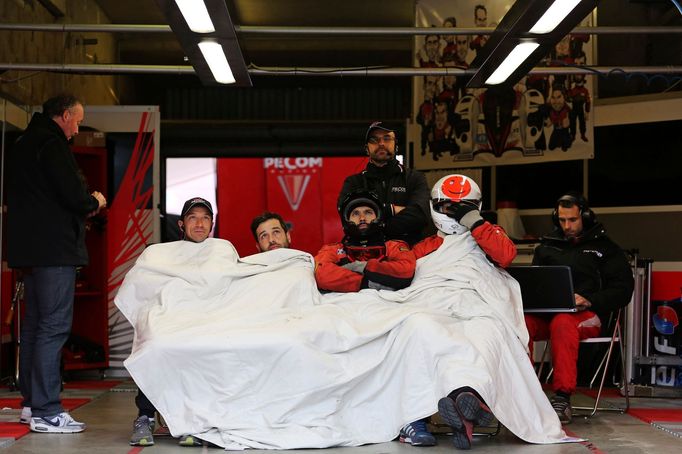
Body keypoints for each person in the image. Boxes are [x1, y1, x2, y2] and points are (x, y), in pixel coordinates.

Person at [6, 94, 107, 434]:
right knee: (53, 327)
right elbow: (72, 196)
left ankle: (32, 404)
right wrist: (94, 199)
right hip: (54, 252)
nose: (77, 129)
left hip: (29, 252)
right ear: (64, 116)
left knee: (35, 327)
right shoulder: (51, 144)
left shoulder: (22, 143)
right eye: (77, 121)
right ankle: (47, 410)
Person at [411, 174, 517, 450]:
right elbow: (409, 275)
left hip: (482, 308)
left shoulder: (489, 234)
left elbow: (506, 256)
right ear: (435, 207)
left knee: (487, 336)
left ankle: (468, 403)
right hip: (438, 310)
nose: (456, 214)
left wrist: (476, 223)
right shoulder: (424, 246)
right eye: (449, 207)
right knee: (429, 333)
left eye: (464, 207)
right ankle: (470, 406)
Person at [525, 193, 634, 424]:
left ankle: (562, 397)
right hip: (548, 315)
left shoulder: (606, 249)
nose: (567, 226)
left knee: (563, 322)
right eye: (562, 220)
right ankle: (520, 392)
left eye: (572, 220)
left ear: (585, 216)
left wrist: (589, 300)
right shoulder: (546, 247)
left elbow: (624, 290)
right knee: (518, 323)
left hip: (589, 316)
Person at [130, 197, 214, 447]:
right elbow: (143, 288)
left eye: (205, 218)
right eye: (192, 218)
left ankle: (194, 421)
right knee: (153, 344)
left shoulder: (222, 252)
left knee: (206, 346)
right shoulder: (162, 255)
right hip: (170, 318)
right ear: (181, 224)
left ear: (212, 223)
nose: (199, 223)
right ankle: (144, 416)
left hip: (209, 321)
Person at [338, 122, 430, 246]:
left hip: (410, 252)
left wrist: (379, 217)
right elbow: (348, 218)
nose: (381, 143)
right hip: (365, 255)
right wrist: (395, 210)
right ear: (367, 149)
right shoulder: (354, 182)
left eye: (387, 138)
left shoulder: (414, 178)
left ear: (395, 145)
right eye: (374, 140)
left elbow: (420, 216)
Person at [315, 191, 415, 294]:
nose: (362, 218)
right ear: (346, 220)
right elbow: (321, 274)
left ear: (378, 217)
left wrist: (362, 267)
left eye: (368, 212)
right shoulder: (333, 249)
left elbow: (406, 271)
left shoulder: (393, 246)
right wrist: (365, 283)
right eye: (356, 213)